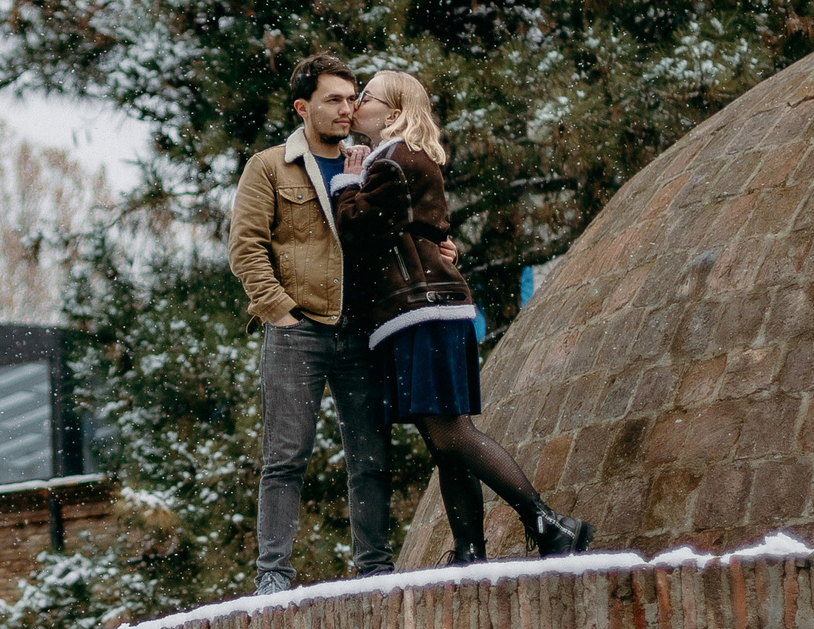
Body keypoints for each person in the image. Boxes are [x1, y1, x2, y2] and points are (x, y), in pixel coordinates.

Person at [334, 69, 593, 563]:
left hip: (422, 312)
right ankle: (471, 551)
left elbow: (359, 231)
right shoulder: (402, 159)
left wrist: (347, 182)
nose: (355, 104)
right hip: (424, 310)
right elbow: (420, 231)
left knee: (452, 433)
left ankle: (549, 524)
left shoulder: (392, 160)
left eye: (364, 97)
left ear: (391, 114)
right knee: (444, 439)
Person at [228, 54, 394, 594]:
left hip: (363, 329)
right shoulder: (269, 166)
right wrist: (279, 309)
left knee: (370, 454)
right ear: (303, 107)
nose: (347, 109)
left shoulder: (371, 163)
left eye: (352, 99)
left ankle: (374, 568)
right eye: (334, 99)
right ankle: (273, 575)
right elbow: (246, 247)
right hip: (297, 329)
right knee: (285, 456)